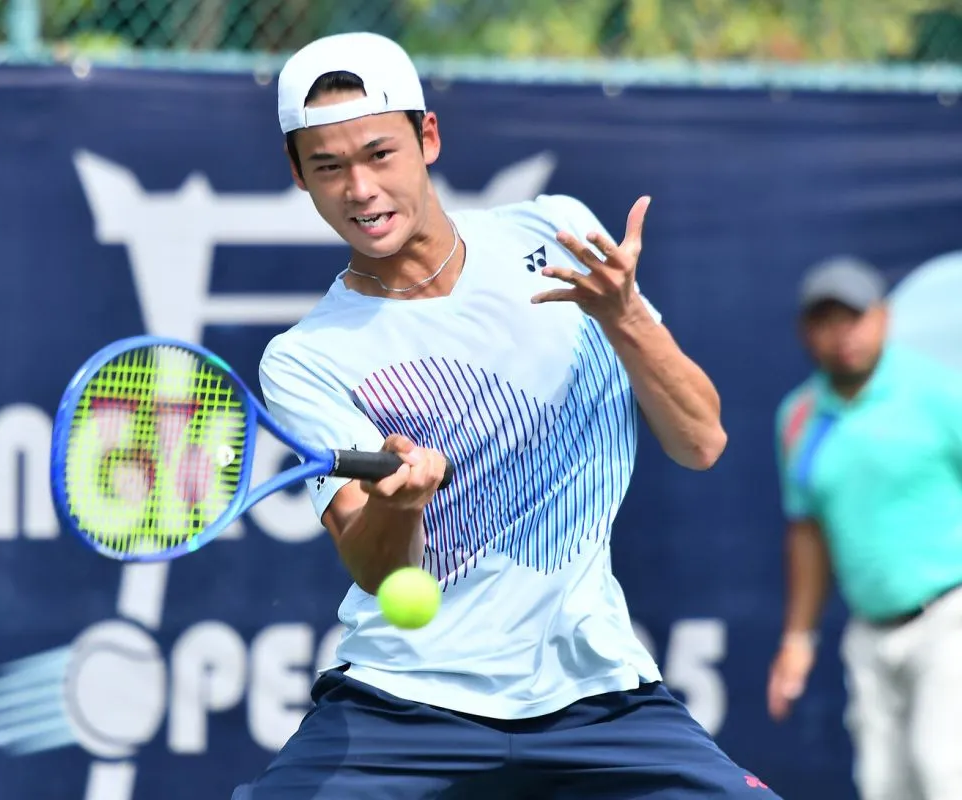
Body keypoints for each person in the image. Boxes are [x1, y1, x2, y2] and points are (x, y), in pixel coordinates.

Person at [236, 31, 775, 799]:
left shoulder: (550, 231)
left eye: (379, 154)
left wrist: (626, 318)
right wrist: (403, 506)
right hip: (403, 705)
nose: (359, 189)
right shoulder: (304, 358)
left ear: (427, 138)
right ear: (299, 176)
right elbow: (378, 569)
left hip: (599, 699)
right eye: (329, 166)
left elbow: (701, 440)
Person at [767, 256, 962, 800]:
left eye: (853, 318)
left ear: (883, 319)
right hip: (870, 634)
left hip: (951, 618)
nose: (841, 336)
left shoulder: (941, 393)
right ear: (807, 333)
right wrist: (797, 640)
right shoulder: (799, 416)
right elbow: (806, 531)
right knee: (882, 787)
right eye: (825, 322)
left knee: (944, 771)